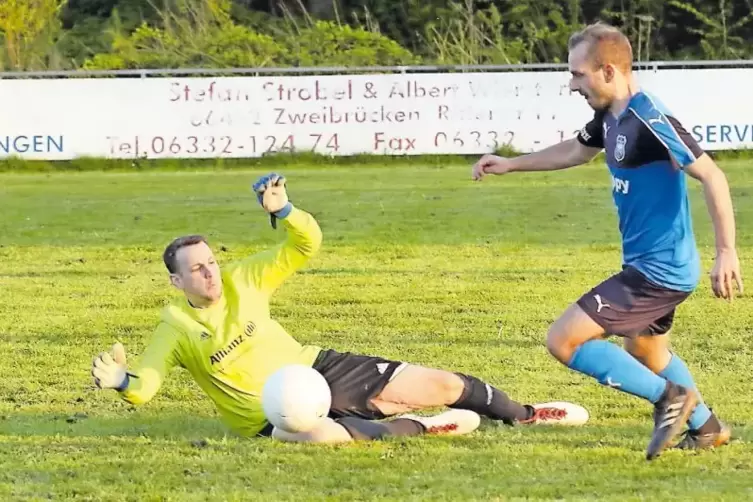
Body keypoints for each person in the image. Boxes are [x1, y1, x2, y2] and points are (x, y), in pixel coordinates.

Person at [91, 173, 588, 444]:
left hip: (316, 367)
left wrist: (284, 211)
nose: (209, 273)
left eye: (211, 262)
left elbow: (305, 244)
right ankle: (424, 427)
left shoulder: (245, 278)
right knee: (327, 438)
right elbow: (145, 388)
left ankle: (524, 415)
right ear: (176, 281)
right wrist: (121, 382)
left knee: (443, 384)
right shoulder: (174, 327)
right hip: (271, 415)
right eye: (196, 269)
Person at [471, 22, 742, 460]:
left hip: (658, 271)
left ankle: (670, 399)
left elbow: (712, 174)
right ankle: (707, 427)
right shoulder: (610, 116)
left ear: (610, 71)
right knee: (647, 352)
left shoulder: (649, 117)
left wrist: (726, 252)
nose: (572, 84)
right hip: (652, 265)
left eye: (579, 74)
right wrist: (511, 164)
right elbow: (577, 151)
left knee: (563, 340)